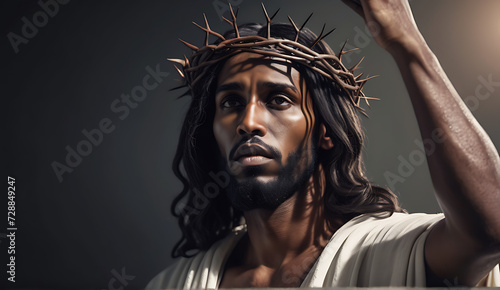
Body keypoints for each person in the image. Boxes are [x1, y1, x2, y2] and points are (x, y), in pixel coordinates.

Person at [147, 0, 500, 288]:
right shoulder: (177, 283)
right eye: (231, 103)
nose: (248, 122)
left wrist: (406, 43)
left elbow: (490, 230)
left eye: (278, 99)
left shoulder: (384, 252)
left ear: (324, 131)